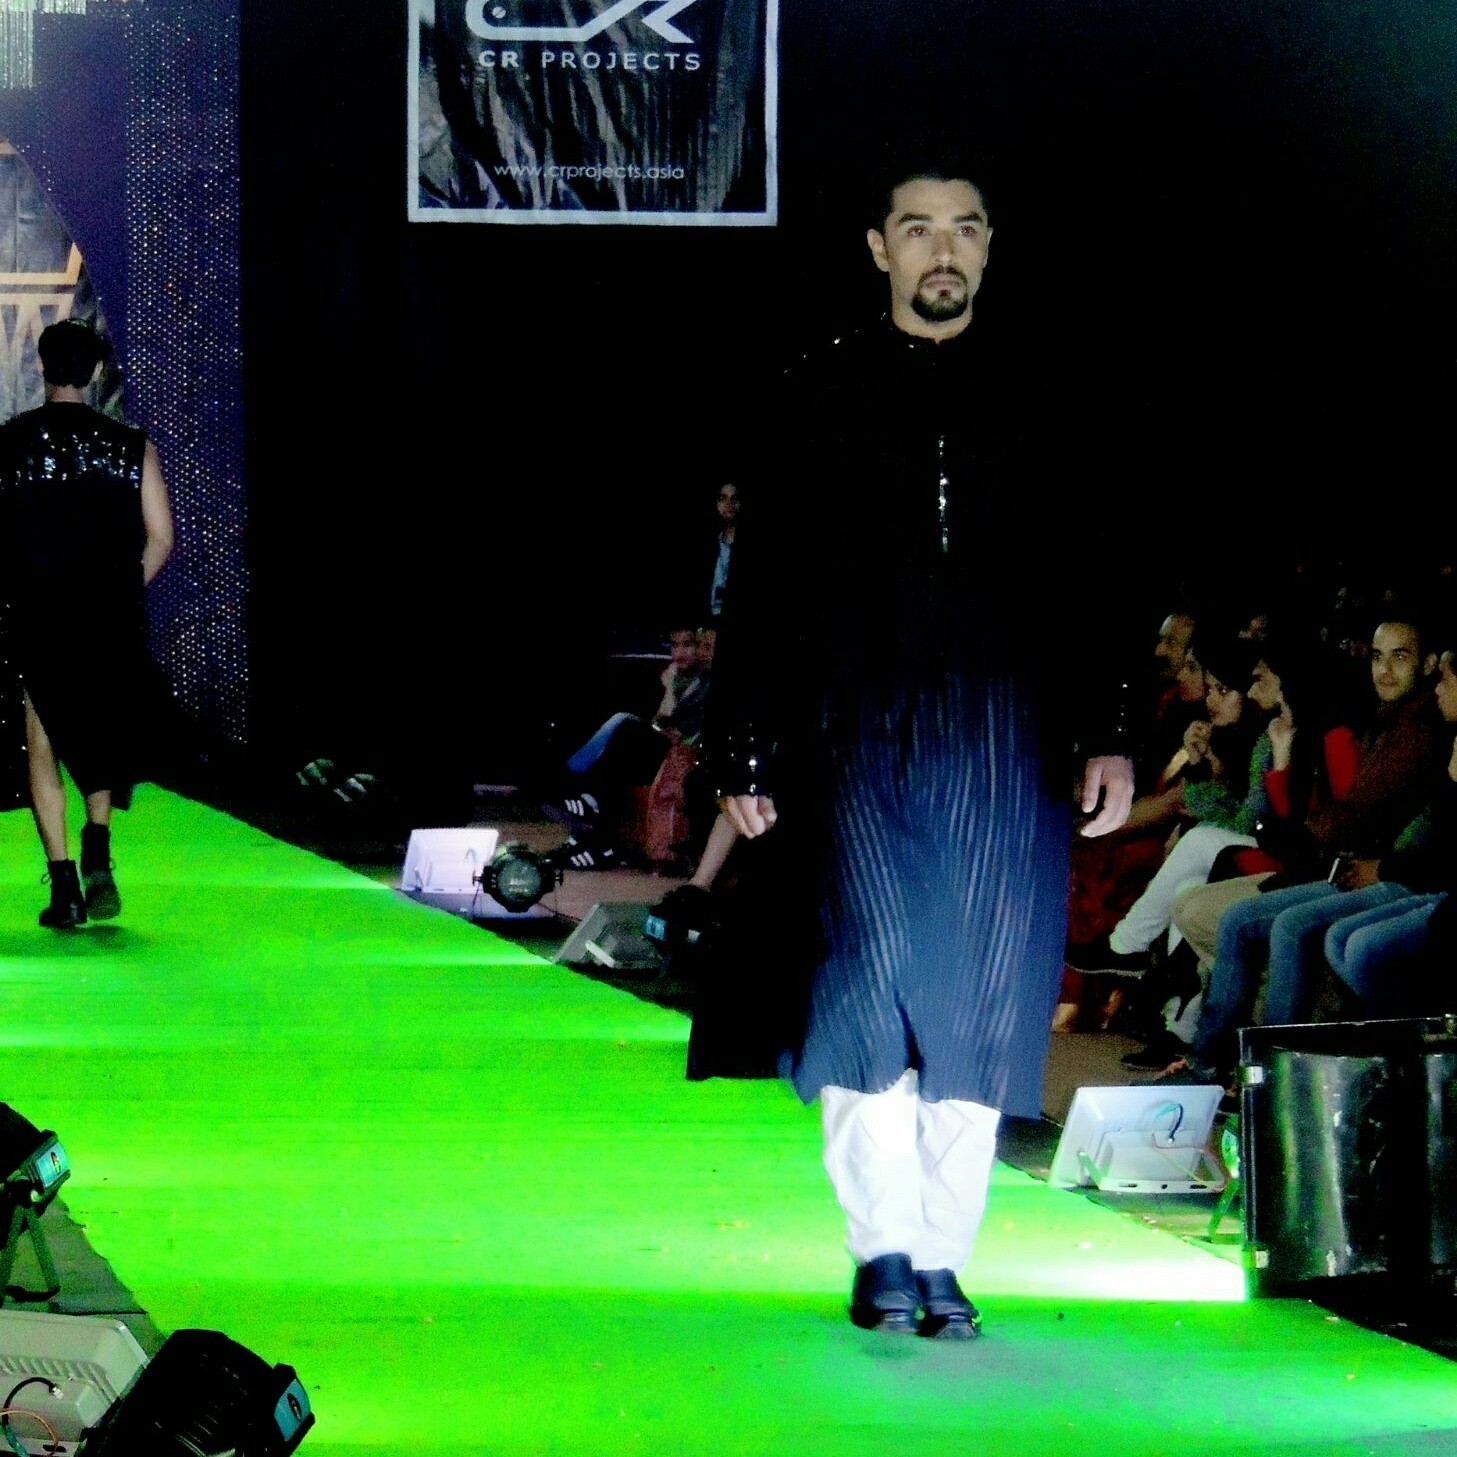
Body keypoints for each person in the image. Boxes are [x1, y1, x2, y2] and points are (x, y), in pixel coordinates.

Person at [702, 147, 1135, 1339]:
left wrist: (1107, 729)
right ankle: (882, 1246)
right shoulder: (816, 393)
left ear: (988, 247)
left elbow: (1093, 581)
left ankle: (943, 1253)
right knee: (862, 987)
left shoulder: (1042, 397)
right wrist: (741, 743)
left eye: (964, 227)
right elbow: (763, 586)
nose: (942, 248)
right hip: (852, 731)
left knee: (982, 994)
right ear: (877, 248)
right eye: (917, 227)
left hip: (1006, 737)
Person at [0, 320, 173, 928]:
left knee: (43, 741)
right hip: (108, 617)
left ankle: (65, 886)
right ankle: (98, 847)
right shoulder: (131, 445)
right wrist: (118, 592)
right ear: (97, 372)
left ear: (40, 367)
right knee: (102, 729)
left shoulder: (8, 444)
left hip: (37, 615)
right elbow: (161, 537)